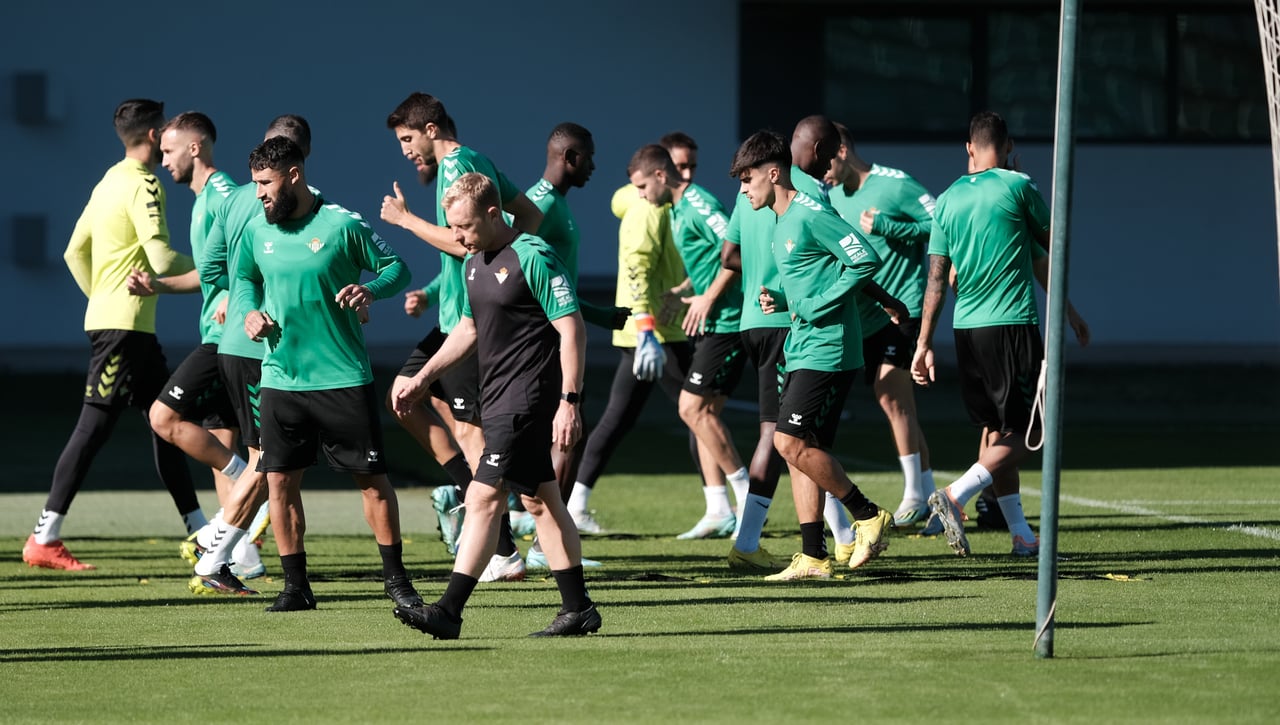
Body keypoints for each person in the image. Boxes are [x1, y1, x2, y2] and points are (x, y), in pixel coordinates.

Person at [391, 172, 600, 639]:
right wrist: (423, 377)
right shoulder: (472, 263)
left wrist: (570, 401)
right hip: (497, 396)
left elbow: (572, 329)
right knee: (542, 501)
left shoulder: (534, 255)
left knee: (483, 496)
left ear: (492, 213)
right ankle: (578, 608)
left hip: (528, 400)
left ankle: (448, 610)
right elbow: (467, 330)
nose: (457, 236)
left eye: (464, 227)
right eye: (453, 227)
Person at [231, 135, 420, 612]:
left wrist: (370, 290)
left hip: (341, 378)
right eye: (255, 184)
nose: (259, 194)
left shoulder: (341, 224)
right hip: (280, 379)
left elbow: (398, 267)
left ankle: (397, 581)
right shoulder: (257, 230)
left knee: (371, 480)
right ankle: (296, 587)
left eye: (265, 184)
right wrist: (250, 313)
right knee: (279, 483)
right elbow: (245, 283)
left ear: (294, 175)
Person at [23, 98, 206, 571]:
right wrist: (218, 269)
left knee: (165, 421)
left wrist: (101, 298)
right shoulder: (145, 185)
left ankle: (200, 530)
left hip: (123, 324)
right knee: (93, 428)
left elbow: (72, 252)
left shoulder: (107, 182)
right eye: (163, 133)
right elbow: (162, 260)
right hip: (124, 328)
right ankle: (44, 537)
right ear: (152, 137)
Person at [912, 111, 1090, 558]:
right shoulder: (1018, 186)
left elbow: (937, 279)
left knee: (997, 431)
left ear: (968, 148)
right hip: (1010, 325)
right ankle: (955, 494)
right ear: (1007, 146)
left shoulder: (949, 198)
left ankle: (1021, 535)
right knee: (1034, 432)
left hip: (966, 332)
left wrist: (924, 343)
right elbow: (1055, 245)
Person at [381, 93, 542, 566]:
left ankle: (504, 551)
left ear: (431, 130)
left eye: (408, 138)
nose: (406, 150)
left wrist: (406, 220)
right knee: (403, 396)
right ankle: (468, 493)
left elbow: (460, 245)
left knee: (473, 436)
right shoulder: (476, 160)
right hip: (451, 317)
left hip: (468, 324)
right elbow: (528, 216)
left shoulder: (455, 168)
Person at [731, 129, 895, 579]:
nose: (744, 191)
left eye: (748, 180)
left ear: (773, 172)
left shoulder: (808, 211)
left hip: (829, 347)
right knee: (800, 448)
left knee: (788, 442)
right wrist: (784, 301)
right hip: (803, 343)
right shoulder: (782, 221)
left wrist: (820, 303)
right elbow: (814, 276)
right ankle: (813, 556)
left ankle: (868, 515)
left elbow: (863, 258)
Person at [125, 111, 259, 593]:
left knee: (163, 417)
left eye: (167, 151)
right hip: (217, 337)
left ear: (195, 148)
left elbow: (252, 256)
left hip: (226, 341)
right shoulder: (202, 200)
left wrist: (234, 298)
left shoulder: (224, 196)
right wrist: (156, 285)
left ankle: (251, 480)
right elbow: (209, 274)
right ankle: (240, 558)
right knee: (218, 448)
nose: (162, 161)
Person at [184, 115, 316, 593]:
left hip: (246, 347)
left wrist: (226, 303)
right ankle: (213, 548)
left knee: (285, 470)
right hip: (260, 349)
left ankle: (294, 580)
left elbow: (215, 272)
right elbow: (236, 273)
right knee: (269, 462)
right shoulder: (282, 202)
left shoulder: (240, 197)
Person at [565, 182, 703, 535]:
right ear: (660, 172)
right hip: (658, 333)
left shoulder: (657, 205)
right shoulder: (648, 209)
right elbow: (638, 272)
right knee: (701, 413)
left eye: (691, 167)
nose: (687, 177)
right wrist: (646, 330)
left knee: (620, 418)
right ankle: (727, 502)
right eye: (680, 167)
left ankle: (574, 505)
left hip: (651, 332)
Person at [627, 143, 750, 539]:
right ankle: (719, 509)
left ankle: (749, 500)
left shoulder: (697, 203)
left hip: (730, 321)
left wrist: (710, 297)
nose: (642, 195)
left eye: (643, 186)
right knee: (704, 414)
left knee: (691, 408)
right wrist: (684, 289)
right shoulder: (676, 209)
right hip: (714, 321)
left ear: (661, 176)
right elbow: (712, 259)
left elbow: (738, 251)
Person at [825, 121, 939, 527]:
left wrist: (892, 227)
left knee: (889, 393)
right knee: (896, 402)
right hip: (867, 317)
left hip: (903, 308)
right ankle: (927, 494)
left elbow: (939, 221)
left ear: (841, 150)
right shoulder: (833, 196)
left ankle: (913, 493)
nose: (821, 172)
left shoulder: (894, 183)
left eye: (824, 161)